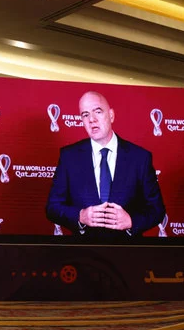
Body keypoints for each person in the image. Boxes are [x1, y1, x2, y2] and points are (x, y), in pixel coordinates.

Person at [45, 91, 165, 237]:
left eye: (98, 111)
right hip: (84, 252)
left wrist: (131, 221)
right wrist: (80, 216)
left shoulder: (140, 158)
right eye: (85, 114)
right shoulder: (69, 157)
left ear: (111, 115)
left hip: (127, 252)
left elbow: (157, 209)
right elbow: (53, 207)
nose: (92, 120)